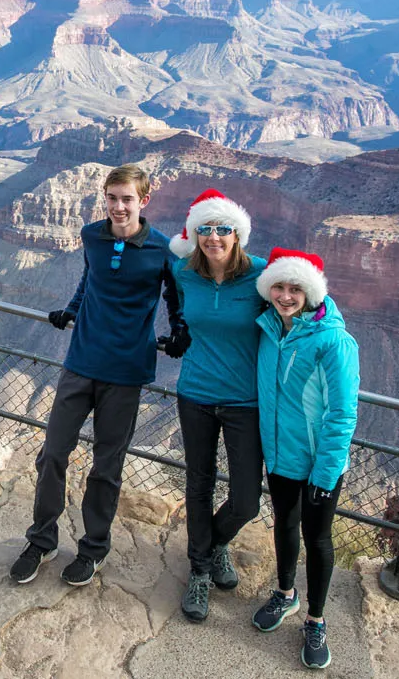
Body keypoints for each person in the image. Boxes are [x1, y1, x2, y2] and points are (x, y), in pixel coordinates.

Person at [10, 164, 188, 587]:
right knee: (52, 452)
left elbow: (175, 298)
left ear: (143, 201)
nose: (118, 206)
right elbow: (90, 278)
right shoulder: (92, 235)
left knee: (106, 467)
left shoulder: (162, 249)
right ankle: (42, 539)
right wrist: (71, 310)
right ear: (104, 199)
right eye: (112, 198)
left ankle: (93, 549)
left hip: (126, 373)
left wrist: (180, 330)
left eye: (127, 199)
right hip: (81, 362)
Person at [249, 248, 360, 671]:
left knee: (318, 539)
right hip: (279, 456)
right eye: (278, 286)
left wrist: (327, 472)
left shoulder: (333, 340)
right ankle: (285, 593)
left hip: (318, 464)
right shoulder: (268, 328)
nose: (286, 295)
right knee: (284, 525)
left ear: (311, 292)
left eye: (296, 288)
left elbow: (342, 412)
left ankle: (315, 620)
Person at [165, 188, 268, 622]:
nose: (213, 237)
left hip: (246, 402)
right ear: (193, 234)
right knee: (199, 486)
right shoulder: (184, 272)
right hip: (196, 395)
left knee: (246, 500)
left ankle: (215, 544)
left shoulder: (262, 276)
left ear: (237, 234)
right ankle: (200, 572)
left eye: (223, 228)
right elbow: (168, 303)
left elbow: (311, 302)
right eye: (204, 229)